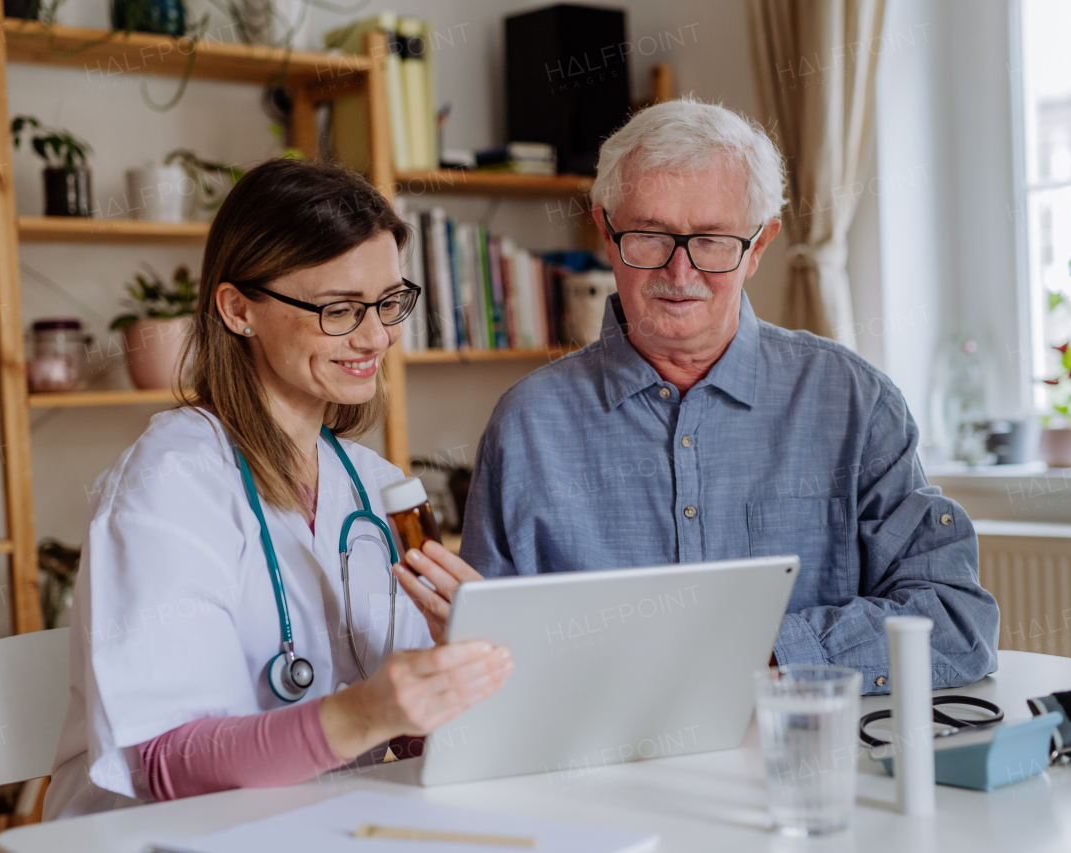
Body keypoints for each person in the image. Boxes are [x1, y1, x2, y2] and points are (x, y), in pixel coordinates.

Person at [399, 98, 1000, 695]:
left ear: (759, 246)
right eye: (649, 236)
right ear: (606, 232)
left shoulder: (854, 402)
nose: (679, 274)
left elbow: (955, 621)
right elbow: (483, 665)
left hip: (806, 763)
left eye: (712, 240)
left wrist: (758, 654)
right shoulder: (527, 424)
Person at [43, 159, 511, 819]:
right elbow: (167, 762)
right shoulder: (171, 481)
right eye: (340, 308)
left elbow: (408, 741)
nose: (376, 336)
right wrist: (369, 709)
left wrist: (454, 665)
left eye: (388, 302)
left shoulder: (376, 487)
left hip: (328, 823)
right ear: (238, 309)